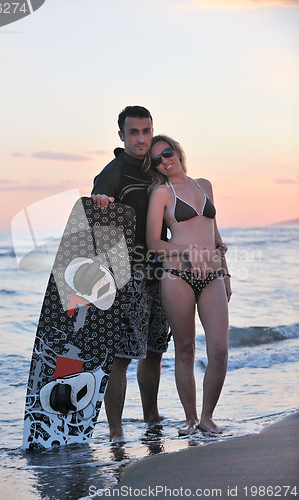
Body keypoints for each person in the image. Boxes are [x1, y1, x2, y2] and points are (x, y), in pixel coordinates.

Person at [91, 106, 170, 440]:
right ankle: (115, 430)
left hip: (160, 273)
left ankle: (151, 418)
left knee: (154, 351)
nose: (141, 138)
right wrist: (99, 203)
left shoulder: (159, 172)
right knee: (121, 355)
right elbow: (94, 220)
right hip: (127, 276)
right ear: (121, 135)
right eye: (134, 132)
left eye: (146, 131)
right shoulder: (113, 174)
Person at [145, 134, 231, 435]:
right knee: (185, 349)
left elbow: (215, 236)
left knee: (219, 350)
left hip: (212, 276)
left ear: (178, 152)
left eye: (167, 153)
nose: (164, 160)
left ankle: (208, 417)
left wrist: (226, 272)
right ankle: (191, 419)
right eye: (157, 159)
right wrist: (184, 251)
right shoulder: (161, 193)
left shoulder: (204, 185)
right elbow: (153, 242)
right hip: (177, 276)